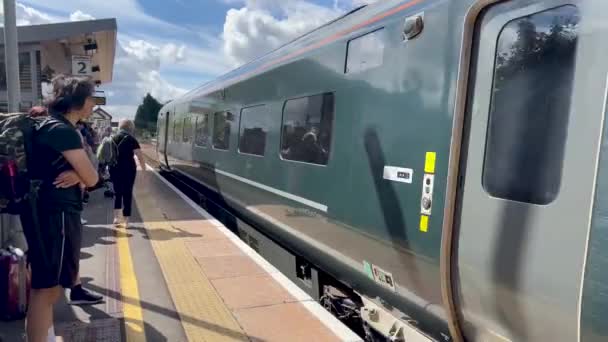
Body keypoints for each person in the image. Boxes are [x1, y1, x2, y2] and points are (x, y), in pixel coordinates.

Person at [21, 75, 100, 342]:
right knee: (47, 289)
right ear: (78, 101)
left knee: (43, 286)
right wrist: (82, 175)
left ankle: (44, 336)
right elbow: (92, 178)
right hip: (58, 215)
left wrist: (78, 174)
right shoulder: (62, 130)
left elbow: (81, 174)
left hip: (40, 209)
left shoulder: (44, 123)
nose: (93, 104)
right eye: (91, 98)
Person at [110, 119, 146, 227]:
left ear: (120, 127)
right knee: (127, 193)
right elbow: (139, 156)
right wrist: (144, 171)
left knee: (117, 192)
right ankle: (126, 220)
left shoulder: (112, 138)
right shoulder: (131, 139)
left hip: (114, 168)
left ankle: (116, 218)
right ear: (131, 128)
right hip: (128, 169)